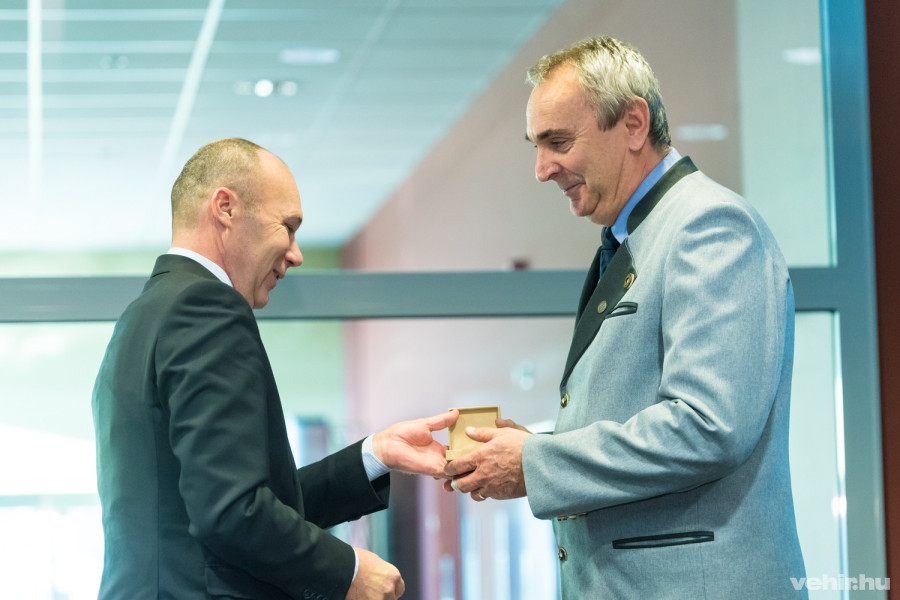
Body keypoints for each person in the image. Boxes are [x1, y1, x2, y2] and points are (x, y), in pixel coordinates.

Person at [444, 36, 808, 598]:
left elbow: (708, 427)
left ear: (634, 123)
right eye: (536, 146)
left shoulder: (710, 226)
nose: (542, 169)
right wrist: (535, 446)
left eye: (558, 141)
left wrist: (537, 462)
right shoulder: (635, 237)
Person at [92, 137, 458, 600]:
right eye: (288, 226)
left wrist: (375, 454)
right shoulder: (206, 307)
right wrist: (347, 571)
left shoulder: (142, 317)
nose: (296, 253)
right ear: (225, 207)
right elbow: (233, 511)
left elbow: (234, 498)